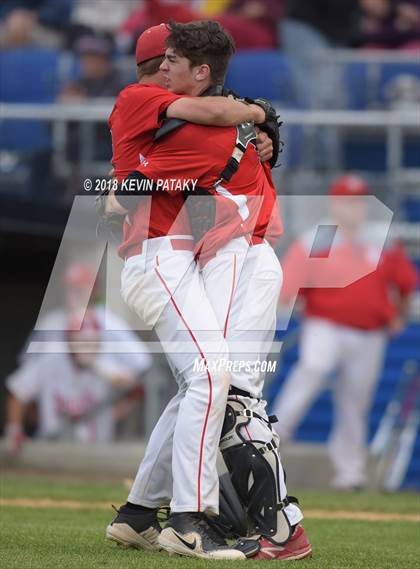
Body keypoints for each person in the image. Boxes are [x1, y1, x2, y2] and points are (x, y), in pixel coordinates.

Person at [106, 20, 311, 561]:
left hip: (209, 257)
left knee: (206, 385)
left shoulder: (194, 121)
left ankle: (140, 513)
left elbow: (223, 133)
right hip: (170, 258)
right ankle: (196, 519)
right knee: (215, 382)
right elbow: (116, 195)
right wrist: (258, 118)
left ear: (196, 72)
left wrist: (256, 136)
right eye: (164, 60)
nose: (165, 69)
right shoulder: (147, 99)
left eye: (175, 61)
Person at [272, 174, 418, 490]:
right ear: (334, 203)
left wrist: (399, 314)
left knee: (356, 400)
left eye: (359, 201)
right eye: (347, 201)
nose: (355, 208)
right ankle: (271, 442)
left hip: (369, 332)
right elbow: (287, 286)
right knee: (312, 370)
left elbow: (405, 282)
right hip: (325, 323)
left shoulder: (383, 239)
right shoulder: (317, 237)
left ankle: (349, 474)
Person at [5, 262, 152, 450]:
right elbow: (22, 384)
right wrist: (28, 418)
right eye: (71, 289)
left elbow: (143, 369)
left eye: (81, 289)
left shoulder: (108, 330)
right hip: (51, 441)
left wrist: (118, 407)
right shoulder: (51, 333)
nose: (84, 344)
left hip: (96, 448)